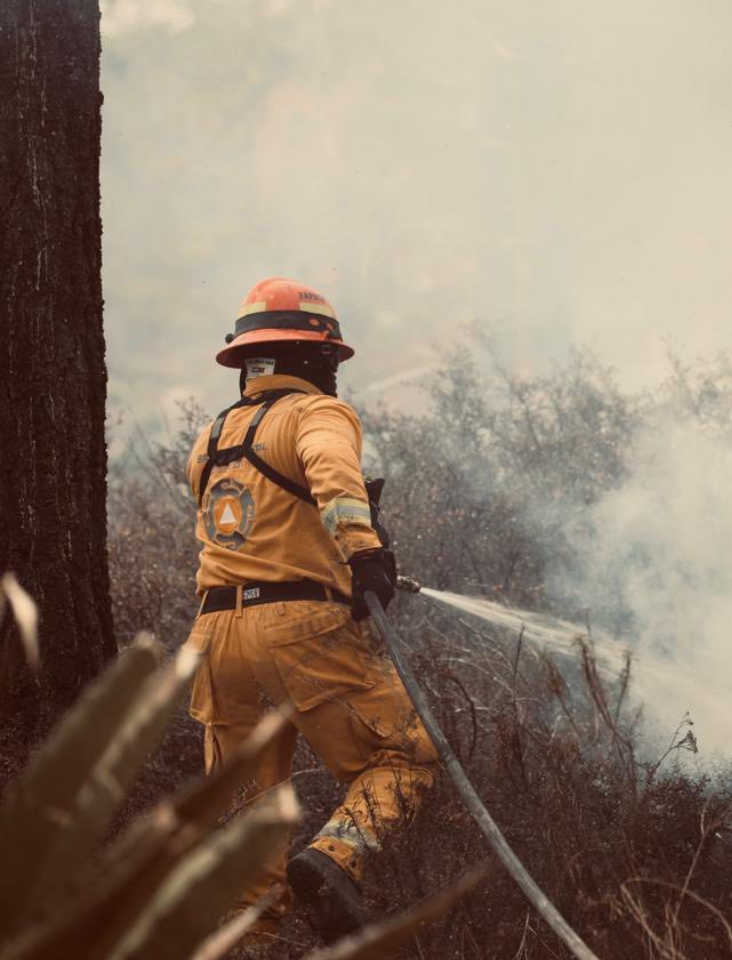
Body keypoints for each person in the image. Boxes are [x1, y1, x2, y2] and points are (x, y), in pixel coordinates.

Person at [184, 277, 438, 949]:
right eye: (330, 361)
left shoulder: (211, 439)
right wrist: (364, 554)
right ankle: (334, 859)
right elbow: (332, 480)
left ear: (247, 363)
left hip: (215, 639)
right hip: (302, 634)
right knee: (409, 755)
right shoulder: (318, 416)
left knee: (248, 830)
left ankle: (246, 945)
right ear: (312, 357)